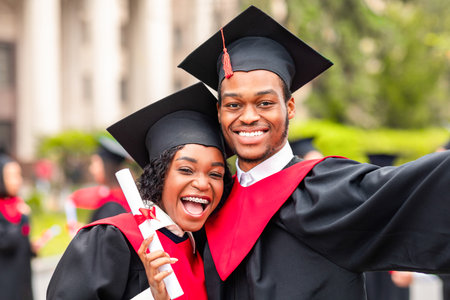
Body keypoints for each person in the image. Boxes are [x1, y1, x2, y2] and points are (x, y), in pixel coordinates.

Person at [179, 5, 450, 299]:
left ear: (290, 107)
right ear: (219, 112)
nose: (247, 117)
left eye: (265, 103)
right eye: (233, 105)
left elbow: (425, 190)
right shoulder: (212, 206)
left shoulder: (329, 191)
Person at [47, 83, 232, 300]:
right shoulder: (113, 240)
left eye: (215, 174)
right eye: (186, 169)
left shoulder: (204, 249)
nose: (202, 184)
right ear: (159, 175)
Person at [69, 136, 131, 223]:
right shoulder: (111, 195)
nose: (91, 169)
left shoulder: (115, 203)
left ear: (107, 166)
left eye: (95, 163)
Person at [0, 153, 34, 300]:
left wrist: (33, 248)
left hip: (23, 279)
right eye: (11, 176)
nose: (17, 181)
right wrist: (20, 218)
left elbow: (22, 240)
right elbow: (5, 242)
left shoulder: (18, 204)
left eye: (18, 175)